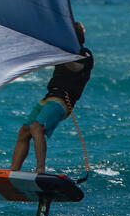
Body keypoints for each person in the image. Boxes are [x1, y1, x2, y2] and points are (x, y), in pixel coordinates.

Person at [10, 21, 93, 173]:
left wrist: (61, 53)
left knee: (37, 127)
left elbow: (75, 67)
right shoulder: (62, 51)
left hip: (63, 100)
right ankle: (13, 171)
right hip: (50, 96)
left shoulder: (85, 54)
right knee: (24, 131)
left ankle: (40, 169)